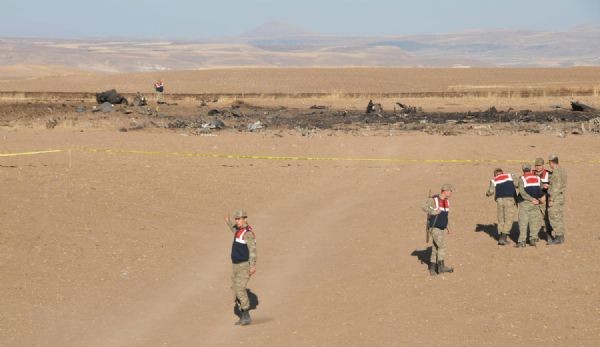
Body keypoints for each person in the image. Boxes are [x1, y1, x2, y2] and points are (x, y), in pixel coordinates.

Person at [224, 209, 257, 325]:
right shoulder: (239, 231)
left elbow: (253, 251)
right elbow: (234, 230)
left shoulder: (248, 233)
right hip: (236, 266)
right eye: (236, 219)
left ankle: (246, 315)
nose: (237, 221)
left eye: (239, 219)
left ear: (245, 219)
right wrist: (228, 222)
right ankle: (243, 314)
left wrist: (252, 266)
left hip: (244, 266)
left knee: (240, 289)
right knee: (235, 290)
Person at [422, 184, 454, 276]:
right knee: (442, 246)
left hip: (441, 228)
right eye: (450, 191)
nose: (451, 192)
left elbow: (445, 216)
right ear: (445, 191)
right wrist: (434, 211)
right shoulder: (434, 199)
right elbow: (423, 206)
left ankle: (432, 268)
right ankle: (441, 267)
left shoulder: (447, 202)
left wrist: (448, 227)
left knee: (436, 247)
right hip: (434, 227)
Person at [486, 168, 517, 246]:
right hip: (509, 199)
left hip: (499, 200)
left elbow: (491, 192)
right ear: (503, 173)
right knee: (509, 219)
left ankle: (501, 237)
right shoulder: (510, 175)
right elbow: (517, 184)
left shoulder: (494, 179)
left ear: (495, 175)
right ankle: (503, 237)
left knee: (501, 219)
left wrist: (487, 194)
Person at [516, 163, 544, 247]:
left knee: (523, 222)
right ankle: (533, 239)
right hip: (535, 203)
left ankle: (522, 241)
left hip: (525, 203)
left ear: (523, 170)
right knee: (534, 222)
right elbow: (541, 189)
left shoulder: (522, 179)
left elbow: (522, 192)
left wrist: (531, 199)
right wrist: (537, 199)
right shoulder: (537, 178)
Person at [547, 155, 567, 245]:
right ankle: (561, 236)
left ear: (551, 162)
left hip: (556, 197)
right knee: (559, 216)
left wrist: (551, 199)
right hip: (560, 196)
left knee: (554, 216)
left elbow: (556, 187)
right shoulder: (562, 170)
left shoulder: (556, 172)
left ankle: (559, 236)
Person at [534, 157, 553, 238]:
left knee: (546, 218)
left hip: (544, 200)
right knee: (533, 218)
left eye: (539, 165)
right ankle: (533, 236)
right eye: (536, 165)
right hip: (534, 199)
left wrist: (546, 197)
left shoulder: (549, 174)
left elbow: (553, 187)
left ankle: (548, 234)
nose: (538, 167)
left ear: (543, 165)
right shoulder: (531, 173)